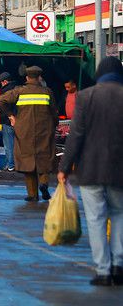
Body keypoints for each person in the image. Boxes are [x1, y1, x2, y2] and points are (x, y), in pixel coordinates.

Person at [58, 57, 123, 287]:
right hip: (119, 171)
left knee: (95, 219)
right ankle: (118, 264)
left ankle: (103, 271)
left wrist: (64, 167)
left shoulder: (86, 97)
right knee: (119, 215)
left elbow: (75, 136)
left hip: (91, 169)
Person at [0, 66, 58, 201]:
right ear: (40, 78)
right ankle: (43, 183)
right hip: (44, 130)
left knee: (28, 161)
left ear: (26, 78)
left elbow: (1, 101)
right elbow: (54, 113)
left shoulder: (20, 91)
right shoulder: (47, 92)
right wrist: (53, 126)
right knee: (44, 159)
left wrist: (11, 116)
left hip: (24, 131)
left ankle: (32, 194)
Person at [0, 71, 18, 171]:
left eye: (1, 83)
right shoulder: (17, 89)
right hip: (18, 120)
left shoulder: (6, 91)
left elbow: (2, 104)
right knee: (15, 144)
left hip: (7, 121)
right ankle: (11, 163)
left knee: (8, 144)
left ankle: (10, 164)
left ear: (4, 81)